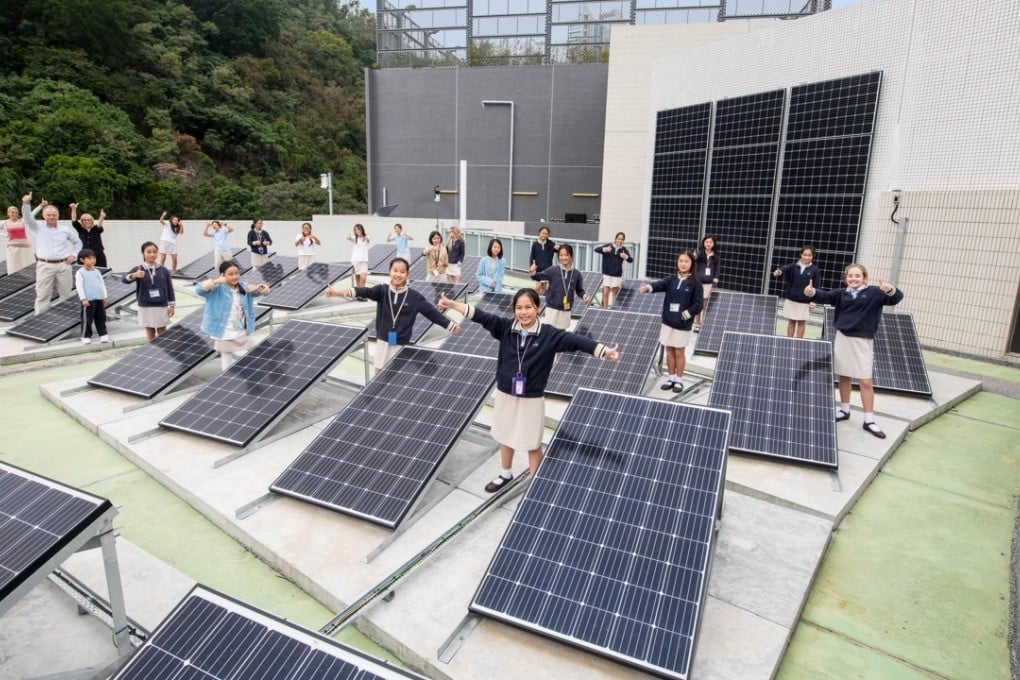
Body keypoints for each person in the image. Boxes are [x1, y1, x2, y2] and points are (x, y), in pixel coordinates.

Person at [437, 288, 620, 492]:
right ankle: (505, 474)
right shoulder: (505, 327)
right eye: (519, 308)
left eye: (528, 307)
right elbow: (479, 315)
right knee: (505, 436)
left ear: (538, 308)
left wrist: (604, 351)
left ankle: (535, 487)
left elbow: (577, 341)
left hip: (531, 397)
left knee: (532, 442)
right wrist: (453, 305)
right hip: (506, 393)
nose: (524, 312)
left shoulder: (549, 334)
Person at [805, 263, 904, 439]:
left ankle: (869, 420)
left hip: (862, 341)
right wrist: (811, 293)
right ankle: (845, 410)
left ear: (864, 277)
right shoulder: (842, 294)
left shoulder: (875, 292)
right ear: (846, 278)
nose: (853, 279)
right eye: (850, 276)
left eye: (857, 276)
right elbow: (824, 295)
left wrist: (890, 290)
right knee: (844, 375)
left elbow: (896, 298)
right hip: (842, 338)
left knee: (865, 381)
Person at [325, 258, 460, 374]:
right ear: (390, 272)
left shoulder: (414, 297)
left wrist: (450, 325)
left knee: (398, 377)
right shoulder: (381, 290)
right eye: (395, 270)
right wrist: (337, 293)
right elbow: (362, 291)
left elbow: (432, 313)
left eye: (402, 272)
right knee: (379, 374)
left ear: (408, 275)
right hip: (383, 341)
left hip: (401, 343)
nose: (398, 274)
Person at [640, 249, 702, 393]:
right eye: (681, 261)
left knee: (679, 352)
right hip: (668, 322)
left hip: (682, 324)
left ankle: (679, 380)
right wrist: (647, 288)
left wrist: (685, 315)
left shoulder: (695, 283)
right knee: (669, 351)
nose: (683, 264)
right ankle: (671, 378)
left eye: (686, 261)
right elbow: (659, 284)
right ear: (677, 262)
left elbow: (698, 305)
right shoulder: (671, 279)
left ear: (692, 263)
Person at [196, 260, 270, 370]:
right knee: (226, 356)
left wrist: (261, 288)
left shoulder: (243, 286)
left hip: (240, 328)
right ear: (222, 275)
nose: (235, 276)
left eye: (236, 273)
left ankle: (256, 373)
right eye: (230, 274)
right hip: (224, 329)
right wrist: (216, 281)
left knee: (253, 349)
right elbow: (199, 290)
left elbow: (263, 291)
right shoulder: (216, 288)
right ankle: (225, 378)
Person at [22, 192, 82, 315]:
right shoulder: (37, 227)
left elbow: (78, 243)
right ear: (44, 216)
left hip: (63, 265)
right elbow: (27, 218)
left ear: (57, 216)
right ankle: (40, 319)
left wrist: (74, 255)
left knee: (66, 294)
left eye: (54, 215)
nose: (51, 217)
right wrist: (26, 203)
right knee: (43, 295)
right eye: (48, 214)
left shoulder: (65, 230)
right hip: (45, 265)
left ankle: (66, 319)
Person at [122, 241, 176, 342]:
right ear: (143, 253)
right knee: (150, 331)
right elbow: (124, 279)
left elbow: (170, 288)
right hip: (145, 305)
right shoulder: (138, 268)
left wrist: (172, 306)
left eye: (154, 252)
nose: (152, 254)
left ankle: (165, 353)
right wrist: (134, 275)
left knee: (162, 331)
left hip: (161, 305)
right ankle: (153, 351)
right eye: (149, 252)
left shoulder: (164, 270)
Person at [531, 244, 589, 330]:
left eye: (566, 255)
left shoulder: (576, 274)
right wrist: (532, 271)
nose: (563, 257)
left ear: (571, 256)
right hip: (551, 308)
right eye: (561, 255)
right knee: (549, 333)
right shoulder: (553, 270)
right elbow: (538, 277)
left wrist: (584, 295)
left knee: (561, 333)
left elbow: (579, 290)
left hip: (566, 309)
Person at [772, 245, 821, 338]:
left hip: (805, 301)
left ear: (813, 256)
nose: (806, 257)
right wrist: (778, 272)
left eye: (809, 255)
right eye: (804, 254)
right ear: (800, 255)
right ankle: (789, 341)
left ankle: (799, 343)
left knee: (802, 322)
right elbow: (783, 269)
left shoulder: (815, 270)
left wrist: (814, 301)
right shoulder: (793, 266)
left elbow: (817, 286)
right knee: (791, 321)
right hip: (791, 299)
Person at [75, 248, 110, 344]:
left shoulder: (97, 272)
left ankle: (103, 334)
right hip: (88, 300)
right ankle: (85, 336)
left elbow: (101, 284)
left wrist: (104, 296)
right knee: (87, 319)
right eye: (90, 258)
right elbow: (79, 286)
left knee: (101, 317)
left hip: (98, 298)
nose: (93, 260)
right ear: (82, 260)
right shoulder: (80, 273)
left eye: (94, 258)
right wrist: (83, 298)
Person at [595, 232, 633, 308]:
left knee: (615, 294)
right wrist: (605, 249)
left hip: (617, 274)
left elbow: (631, 260)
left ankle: (613, 309)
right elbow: (596, 249)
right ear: (615, 239)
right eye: (619, 238)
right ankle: (605, 309)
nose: (620, 241)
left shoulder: (623, 250)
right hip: (607, 273)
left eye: (622, 239)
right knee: (605, 293)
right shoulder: (608, 246)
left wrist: (625, 256)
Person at [1, 203, 40, 273]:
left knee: (29, 268)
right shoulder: (5, 223)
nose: (14, 214)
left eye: (16, 213)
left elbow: (31, 215)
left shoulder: (22, 221)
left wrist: (40, 206)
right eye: (12, 213)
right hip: (12, 249)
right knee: (13, 269)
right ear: (8, 213)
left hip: (25, 248)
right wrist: (5, 235)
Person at [69, 203, 108, 268]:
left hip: (98, 255)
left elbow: (99, 225)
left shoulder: (96, 229)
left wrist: (101, 217)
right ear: (82, 221)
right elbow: (74, 220)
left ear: (92, 221)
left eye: (89, 220)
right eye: (85, 220)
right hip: (84, 256)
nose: (87, 221)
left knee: (101, 271)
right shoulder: (80, 229)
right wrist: (73, 209)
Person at [694, 234, 719, 330]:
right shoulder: (700, 254)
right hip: (699, 283)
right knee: (698, 304)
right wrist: (694, 256)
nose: (708, 244)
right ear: (703, 243)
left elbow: (717, 271)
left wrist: (715, 284)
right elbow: (694, 263)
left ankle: (703, 324)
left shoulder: (716, 256)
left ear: (714, 244)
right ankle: (697, 323)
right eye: (706, 242)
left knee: (705, 305)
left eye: (710, 242)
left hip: (709, 284)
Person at [528, 226, 557, 294]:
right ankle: (535, 300)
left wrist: (559, 247)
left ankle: (542, 302)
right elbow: (532, 256)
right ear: (539, 233)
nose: (544, 235)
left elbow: (559, 250)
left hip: (547, 269)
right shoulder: (535, 244)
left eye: (546, 233)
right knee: (538, 287)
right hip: (538, 269)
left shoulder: (550, 244)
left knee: (544, 289)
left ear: (548, 235)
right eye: (542, 233)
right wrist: (531, 267)